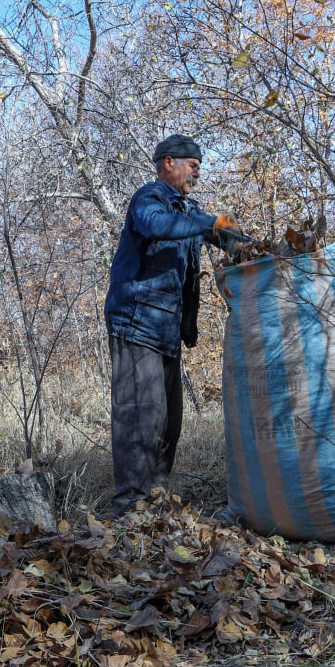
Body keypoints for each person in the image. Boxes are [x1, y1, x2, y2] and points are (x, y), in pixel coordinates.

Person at [104, 134, 237, 515]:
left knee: (168, 421)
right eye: (193, 166)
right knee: (139, 417)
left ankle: (155, 500)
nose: (197, 173)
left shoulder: (187, 208)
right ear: (168, 163)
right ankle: (128, 508)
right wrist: (206, 223)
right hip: (136, 321)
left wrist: (247, 244)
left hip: (167, 329)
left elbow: (219, 234)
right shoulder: (149, 199)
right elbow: (158, 226)